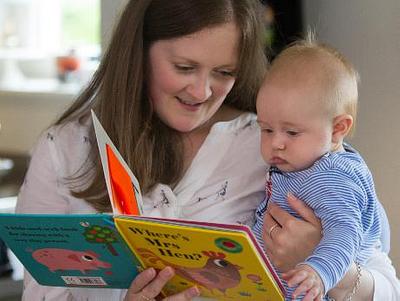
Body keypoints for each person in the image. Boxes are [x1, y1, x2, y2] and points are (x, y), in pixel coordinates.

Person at [15, 1, 399, 300]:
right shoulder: (65, 148)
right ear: (139, 52)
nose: (201, 93)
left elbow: (387, 287)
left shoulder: (273, 143)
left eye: (224, 73)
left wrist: (323, 264)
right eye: (184, 67)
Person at [253, 38, 398, 300]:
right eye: (266, 129)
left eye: (292, 132)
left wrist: (318, 271)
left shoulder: (333, 177)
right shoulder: (298, 163)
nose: (275, 143)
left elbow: (344, 233)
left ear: (338, 129)